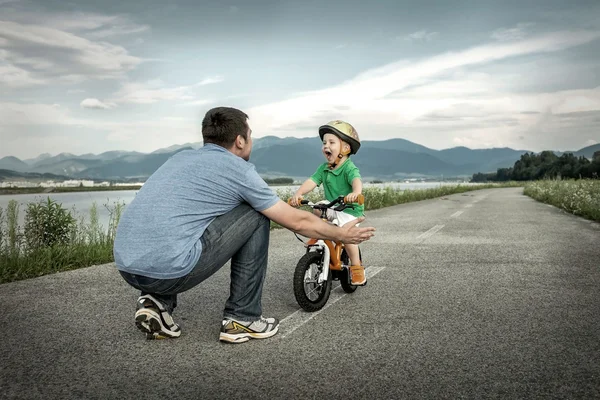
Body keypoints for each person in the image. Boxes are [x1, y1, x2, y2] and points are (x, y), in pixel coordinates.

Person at [113, 107, 375, 344]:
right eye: (250, 135)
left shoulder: (178, 159)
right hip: (169, 271)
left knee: (186, 221)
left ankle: (155, 301)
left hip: (127, 265)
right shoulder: (238, 169)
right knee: (257, 212)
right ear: (240, 140)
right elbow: (296, 220)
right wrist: (342, 234)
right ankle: (242, 317)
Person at [289, 120, 366, 285]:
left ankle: (356, 267)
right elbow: (312, 181)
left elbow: (356, 181)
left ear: (345, 148)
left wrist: (355, 193)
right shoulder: (323, 168)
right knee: (318, 207)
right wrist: (299, 193)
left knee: (347, 236)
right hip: (333, 207)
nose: (326, 146)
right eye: (324, 143)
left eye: (331, 142)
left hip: (350, 211)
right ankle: (318, 234)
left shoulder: (348, 168)